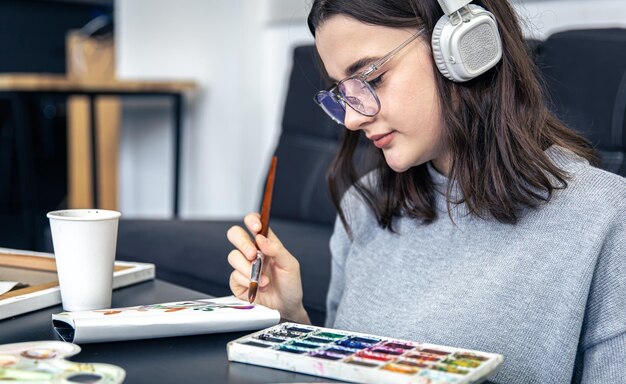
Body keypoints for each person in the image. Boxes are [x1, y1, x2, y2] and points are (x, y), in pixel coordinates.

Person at [226, 0, 626, 382]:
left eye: (370, 78)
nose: (349, 119)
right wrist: (291, 322)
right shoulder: (365, 202)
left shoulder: (605, 217)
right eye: (342, 91)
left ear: (466, 47)